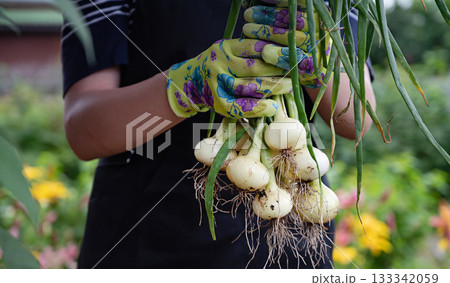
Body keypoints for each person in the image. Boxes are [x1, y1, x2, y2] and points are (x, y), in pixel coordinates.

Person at [62, 0, 375, 268]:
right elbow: (83, 131)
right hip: (147, 238)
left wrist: (316, 50)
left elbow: (355, 119)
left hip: (292, 234)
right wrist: (187, 86)